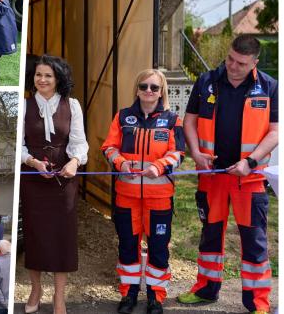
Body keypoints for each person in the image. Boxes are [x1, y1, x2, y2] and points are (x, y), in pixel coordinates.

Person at [177, 35, 277, 314]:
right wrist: (196, 153)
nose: (232, 66)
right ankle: (206, 289)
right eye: (230, 58)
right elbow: (190, 121)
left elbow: (275, 131)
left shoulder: (269, 87)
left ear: (254, 63)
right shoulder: (207, 80)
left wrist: (251, 161)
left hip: (250, 178)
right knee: (210, 234)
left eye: (240, 63)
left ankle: (258, 302)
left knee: (254, 238)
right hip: (212, 175)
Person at [100, 69, 184, 314]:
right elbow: (109, 147)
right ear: (137, 89)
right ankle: (129, 295)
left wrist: (159, 166)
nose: (149, 91)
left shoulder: (172, 120)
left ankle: (156, 297)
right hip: (126, 197)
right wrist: (120, 162)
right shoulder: (123, 117)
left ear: (162, 91)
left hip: (159, 199)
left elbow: (178, 153)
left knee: (158, 248)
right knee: (127, 246)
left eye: (154, 87)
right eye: (144, 86)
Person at [20, 55, 89, 314]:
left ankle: (59, 297)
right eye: (38, 74)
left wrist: (74, 162)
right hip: (32, 176)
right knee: (35, 236)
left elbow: (80, 142)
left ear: (58, 78)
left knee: (63, 237)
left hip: (64, 179)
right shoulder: (24, 105)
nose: (42, 79)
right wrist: (32, 162)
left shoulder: (72, 105)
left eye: (48, 75)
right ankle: (36, 289)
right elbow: (19, 144)